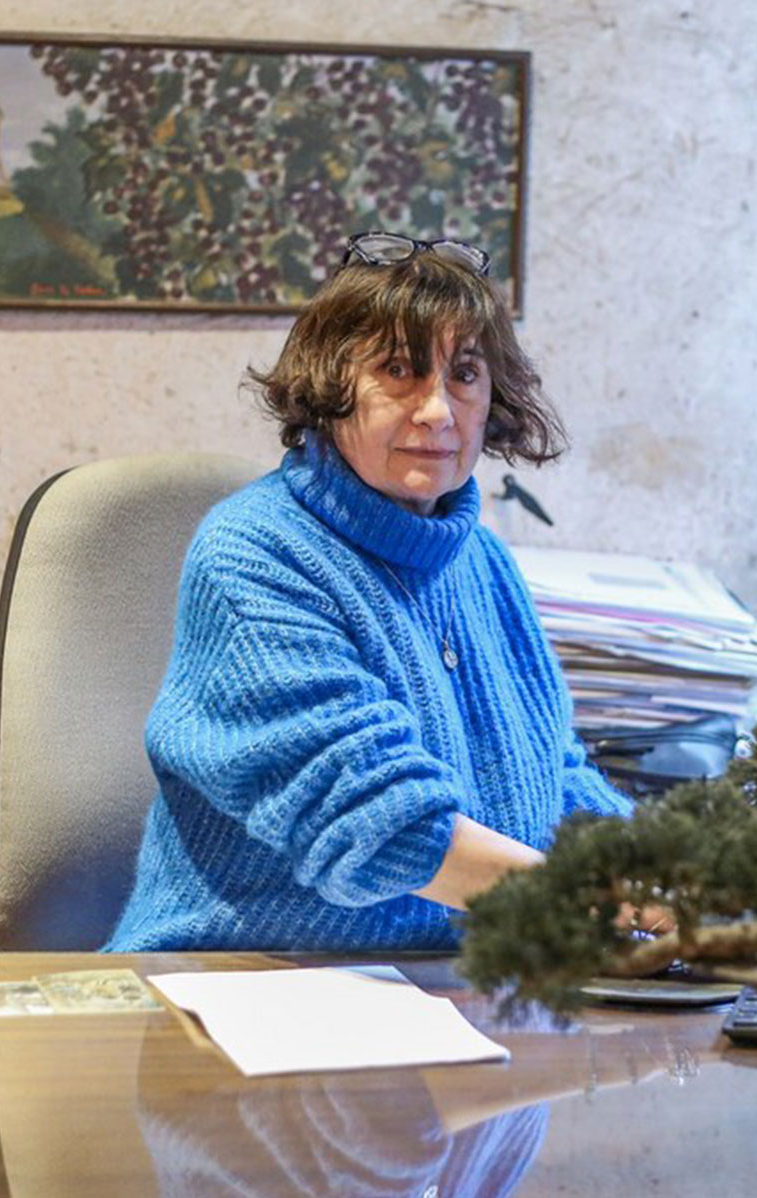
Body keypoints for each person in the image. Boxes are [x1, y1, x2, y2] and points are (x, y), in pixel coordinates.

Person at [106, 231, 633, 953]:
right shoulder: (255, 553)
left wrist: (664, 877)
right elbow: (377, 824)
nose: (438, 410)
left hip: (451, 982)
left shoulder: (484, 561)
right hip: (247, 979)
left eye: (465, 374)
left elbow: (551, 776)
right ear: (331, 387)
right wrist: (597, 903)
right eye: (399, 370)